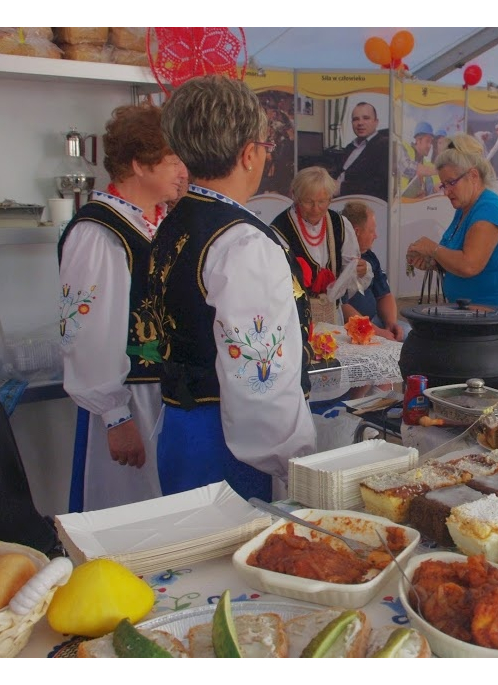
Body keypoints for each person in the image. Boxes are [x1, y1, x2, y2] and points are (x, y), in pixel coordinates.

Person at [146, 75, 317, 502]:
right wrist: (294, 462)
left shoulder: (174, 221)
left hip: (180, 426)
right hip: (229, 444)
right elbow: (260, 383)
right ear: (249, 153)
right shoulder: (244, 243)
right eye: (266, 147)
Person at [58, 102, 188, 512]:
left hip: (166, 395)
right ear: (139, 165)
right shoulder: (100, 232)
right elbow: (89, 333)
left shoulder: (162, 221)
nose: (182, 171)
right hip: (132, 399)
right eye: (172, 161)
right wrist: (115, 417)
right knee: (131, 510)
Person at [406, 133, 498, 348]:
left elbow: (469, 265)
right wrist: (431, 261)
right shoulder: (466, 208)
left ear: (473, 176)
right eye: (443, 185)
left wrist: (433, 249)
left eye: (451, 183)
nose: (446, 192)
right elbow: (455, 255)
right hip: (476, 316)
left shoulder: (488, 210)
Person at [270, 167, 372, 324]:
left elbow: (350, 272)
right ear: (295, 196)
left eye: (322, 202)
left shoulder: (341, 224)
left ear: (330, 199)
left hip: (331, 316)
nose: (315, 209)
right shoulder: (279, 230)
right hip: (295, 318)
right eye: (308, 201)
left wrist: (360, 270)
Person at [340, 201, 406, 342]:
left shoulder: (370, 256)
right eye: (371, 231)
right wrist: (377, 332)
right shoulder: (338, 259)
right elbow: (342, 307)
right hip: (351, 329)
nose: (375, 236)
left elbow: (384, 295)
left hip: (377, 322)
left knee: (410, 333)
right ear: (356, 231)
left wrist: (391, 324)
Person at [335, 102, 390, 199]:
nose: (360, 123)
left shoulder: (384, 146)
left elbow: (381, 186)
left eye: (366, 118)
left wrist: (340, 188)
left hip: (356, 202)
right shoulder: (350, 147)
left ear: (376, 122)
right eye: (355, 119)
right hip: (332, 195)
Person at [399, 121, 437, 199]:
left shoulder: (425, 164)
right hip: (396, 203)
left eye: (431, 142)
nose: (430, 146)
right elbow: (406, 167)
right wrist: (440, 170)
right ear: (418, 140)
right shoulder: (403, 147)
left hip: (411, 204)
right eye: (427, 141)